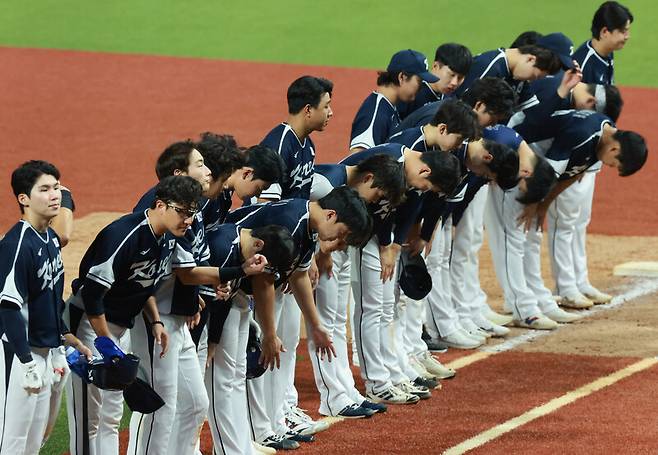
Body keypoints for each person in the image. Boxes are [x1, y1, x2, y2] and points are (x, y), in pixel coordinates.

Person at [65, 175, 203, 455]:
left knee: (112, 415)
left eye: (193, 214)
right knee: (88, 418)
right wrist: (105, 343)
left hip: (118, 328)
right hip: (88, 326)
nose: (188, 221)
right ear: (160, 205)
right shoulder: (124, 235)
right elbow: (92, 294)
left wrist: (155, 321)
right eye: (183, 212)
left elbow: (143, 285)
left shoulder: (166, 238)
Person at [226, 187, 372, 450]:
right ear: (330, 215)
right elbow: (264, 280)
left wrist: (315, 325)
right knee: (260, 356)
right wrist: (268, 333)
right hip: (235, 284)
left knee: (282, 348)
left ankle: (274, 423)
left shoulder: (307, 225)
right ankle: (259, 430)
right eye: (341, 235)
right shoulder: (291, 222)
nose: (338, 244)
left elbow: (300, 274)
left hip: (257, 285)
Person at [341, 143, 460, 404]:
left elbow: (404, 210)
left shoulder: (413, 173)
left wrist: (392, 244)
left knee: (385, 307)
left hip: (378, 235)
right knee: (371, 309)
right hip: (356, 232)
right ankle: (377, 382)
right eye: (428, 186)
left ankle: (392, 374)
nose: (423, 190)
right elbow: (372, 207)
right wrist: (387, 244)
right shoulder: (392, 162)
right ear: (426, 171)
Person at [518, 110, 646, 320]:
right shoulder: (582, 134)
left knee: (536, 229)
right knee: (525, 232)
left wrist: (544, 205)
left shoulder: (606, 132)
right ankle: (527, 298)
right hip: (523, 157)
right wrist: (534, 203)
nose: (609, 166)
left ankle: (537, 294)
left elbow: (576, 171)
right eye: (614, 163)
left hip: (540, 166)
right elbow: (549, 173)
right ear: (615, 148)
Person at [0, 160, 91, 455]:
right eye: (45, 189)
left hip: (46, 351)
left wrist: (66, 337)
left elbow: (50, 297)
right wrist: (26, 362)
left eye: (56, 188)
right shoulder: (17, 245)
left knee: (35, 440)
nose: (54, 195)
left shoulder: (50, 238)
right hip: (18, 355)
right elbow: (9, 307)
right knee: (11, 441)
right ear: (24, 199)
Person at [309, 154, 406, 419]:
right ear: (368, 178)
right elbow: (299, 212)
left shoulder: (345, 189)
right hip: (317, 251)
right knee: (325, 321)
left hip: (337, 245)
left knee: (339, 320)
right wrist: (317, 254)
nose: (376, 201)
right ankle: (332, 397)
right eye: (378, 193)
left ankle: (346, 389)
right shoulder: (327, 182)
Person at [204, 223, 297, 455]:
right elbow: (211, 302)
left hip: (218, 315)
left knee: (234, 378)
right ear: (258, 245)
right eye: (267, 266)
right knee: (217, 386)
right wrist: (212, 342)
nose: (264, 273)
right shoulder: (223, 247)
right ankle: (227, 450)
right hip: (188, 322)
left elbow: (224, 299)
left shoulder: (240, 250)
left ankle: (239, 445)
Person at [350, 49, 438, 151]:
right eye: (419, 81)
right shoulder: (375, 113)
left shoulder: (390, 105)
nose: (421, 87)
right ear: (402, 77)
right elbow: (356, 159)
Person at [397, 43, 472, 119]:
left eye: (460, 78)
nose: (454, 83)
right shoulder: (411, 93)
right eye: (451, 75)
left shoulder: (452, 99)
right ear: (435, 66)